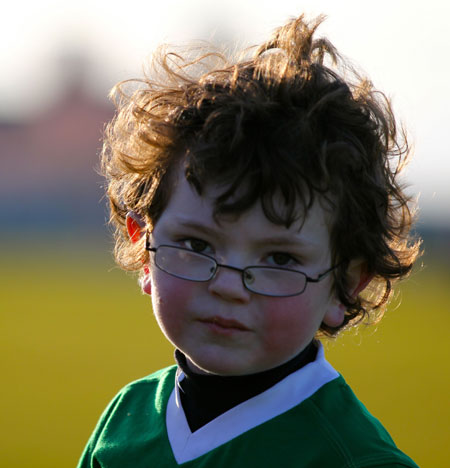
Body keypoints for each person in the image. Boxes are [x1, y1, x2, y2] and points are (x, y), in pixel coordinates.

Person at [77, 14, 421, 467]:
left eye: (279, 257)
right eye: (198, 245)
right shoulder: (125, 420)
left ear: (346, 284)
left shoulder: (356, 459)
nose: (228, 286)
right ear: (145, 249)